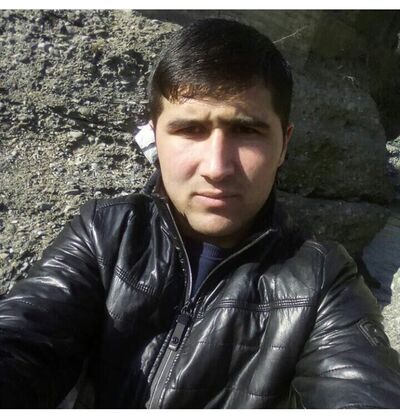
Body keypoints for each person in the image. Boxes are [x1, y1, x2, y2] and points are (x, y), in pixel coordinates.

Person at [1, 18, 400, 409]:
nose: (217, 168)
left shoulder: (322, 281)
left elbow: (362, 390)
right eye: (190, 130)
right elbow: (24, 337)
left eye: (247, 131)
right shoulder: (106, 232)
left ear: (283, 144)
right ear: (155, 136)